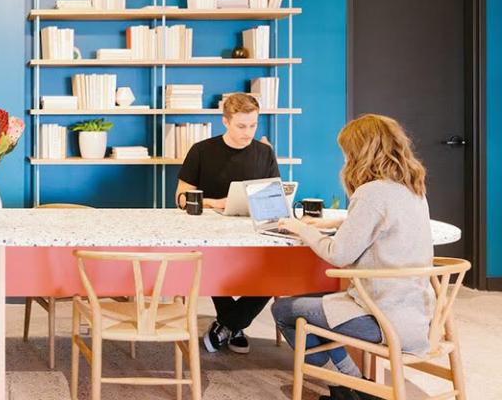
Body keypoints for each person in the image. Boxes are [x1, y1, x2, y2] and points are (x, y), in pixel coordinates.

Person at [273, 114, 433, 400]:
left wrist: (299, 228)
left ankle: (347, 389)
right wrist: (332, 224)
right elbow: (382, 224)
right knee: (318, 307)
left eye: (346, 153)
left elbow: (339, 254)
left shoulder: (371, 193)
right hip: (415, 314)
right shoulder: (412, 188)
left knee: (284, 310)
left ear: (360, 152)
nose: (345, 159)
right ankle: (354, 390)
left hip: (380, 318)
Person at [175, 93, 279, 355]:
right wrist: (214, 203)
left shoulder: (265, 152)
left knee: (275, 272)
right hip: (208, 235)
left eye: (253, 125)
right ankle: (236, 325)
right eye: (241, 126)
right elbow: (180, 198)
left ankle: (229, 324)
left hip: (253, 233)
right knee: (209, 264)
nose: (248, 132)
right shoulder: (202, 150)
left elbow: (274, 196)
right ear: (225, 122)